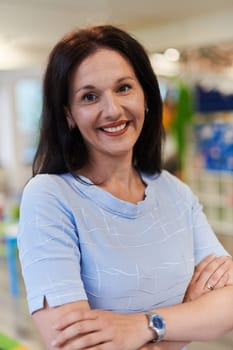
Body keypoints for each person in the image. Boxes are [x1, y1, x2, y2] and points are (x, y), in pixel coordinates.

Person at [17, 24, 233, 350]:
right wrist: (187, 317)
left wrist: (143, 326)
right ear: (69, 115)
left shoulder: (175, 191)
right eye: (89, 96)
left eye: (123, 88)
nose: (113, 110)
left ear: (145, 94)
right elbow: (77, 345)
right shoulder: (49, 197)